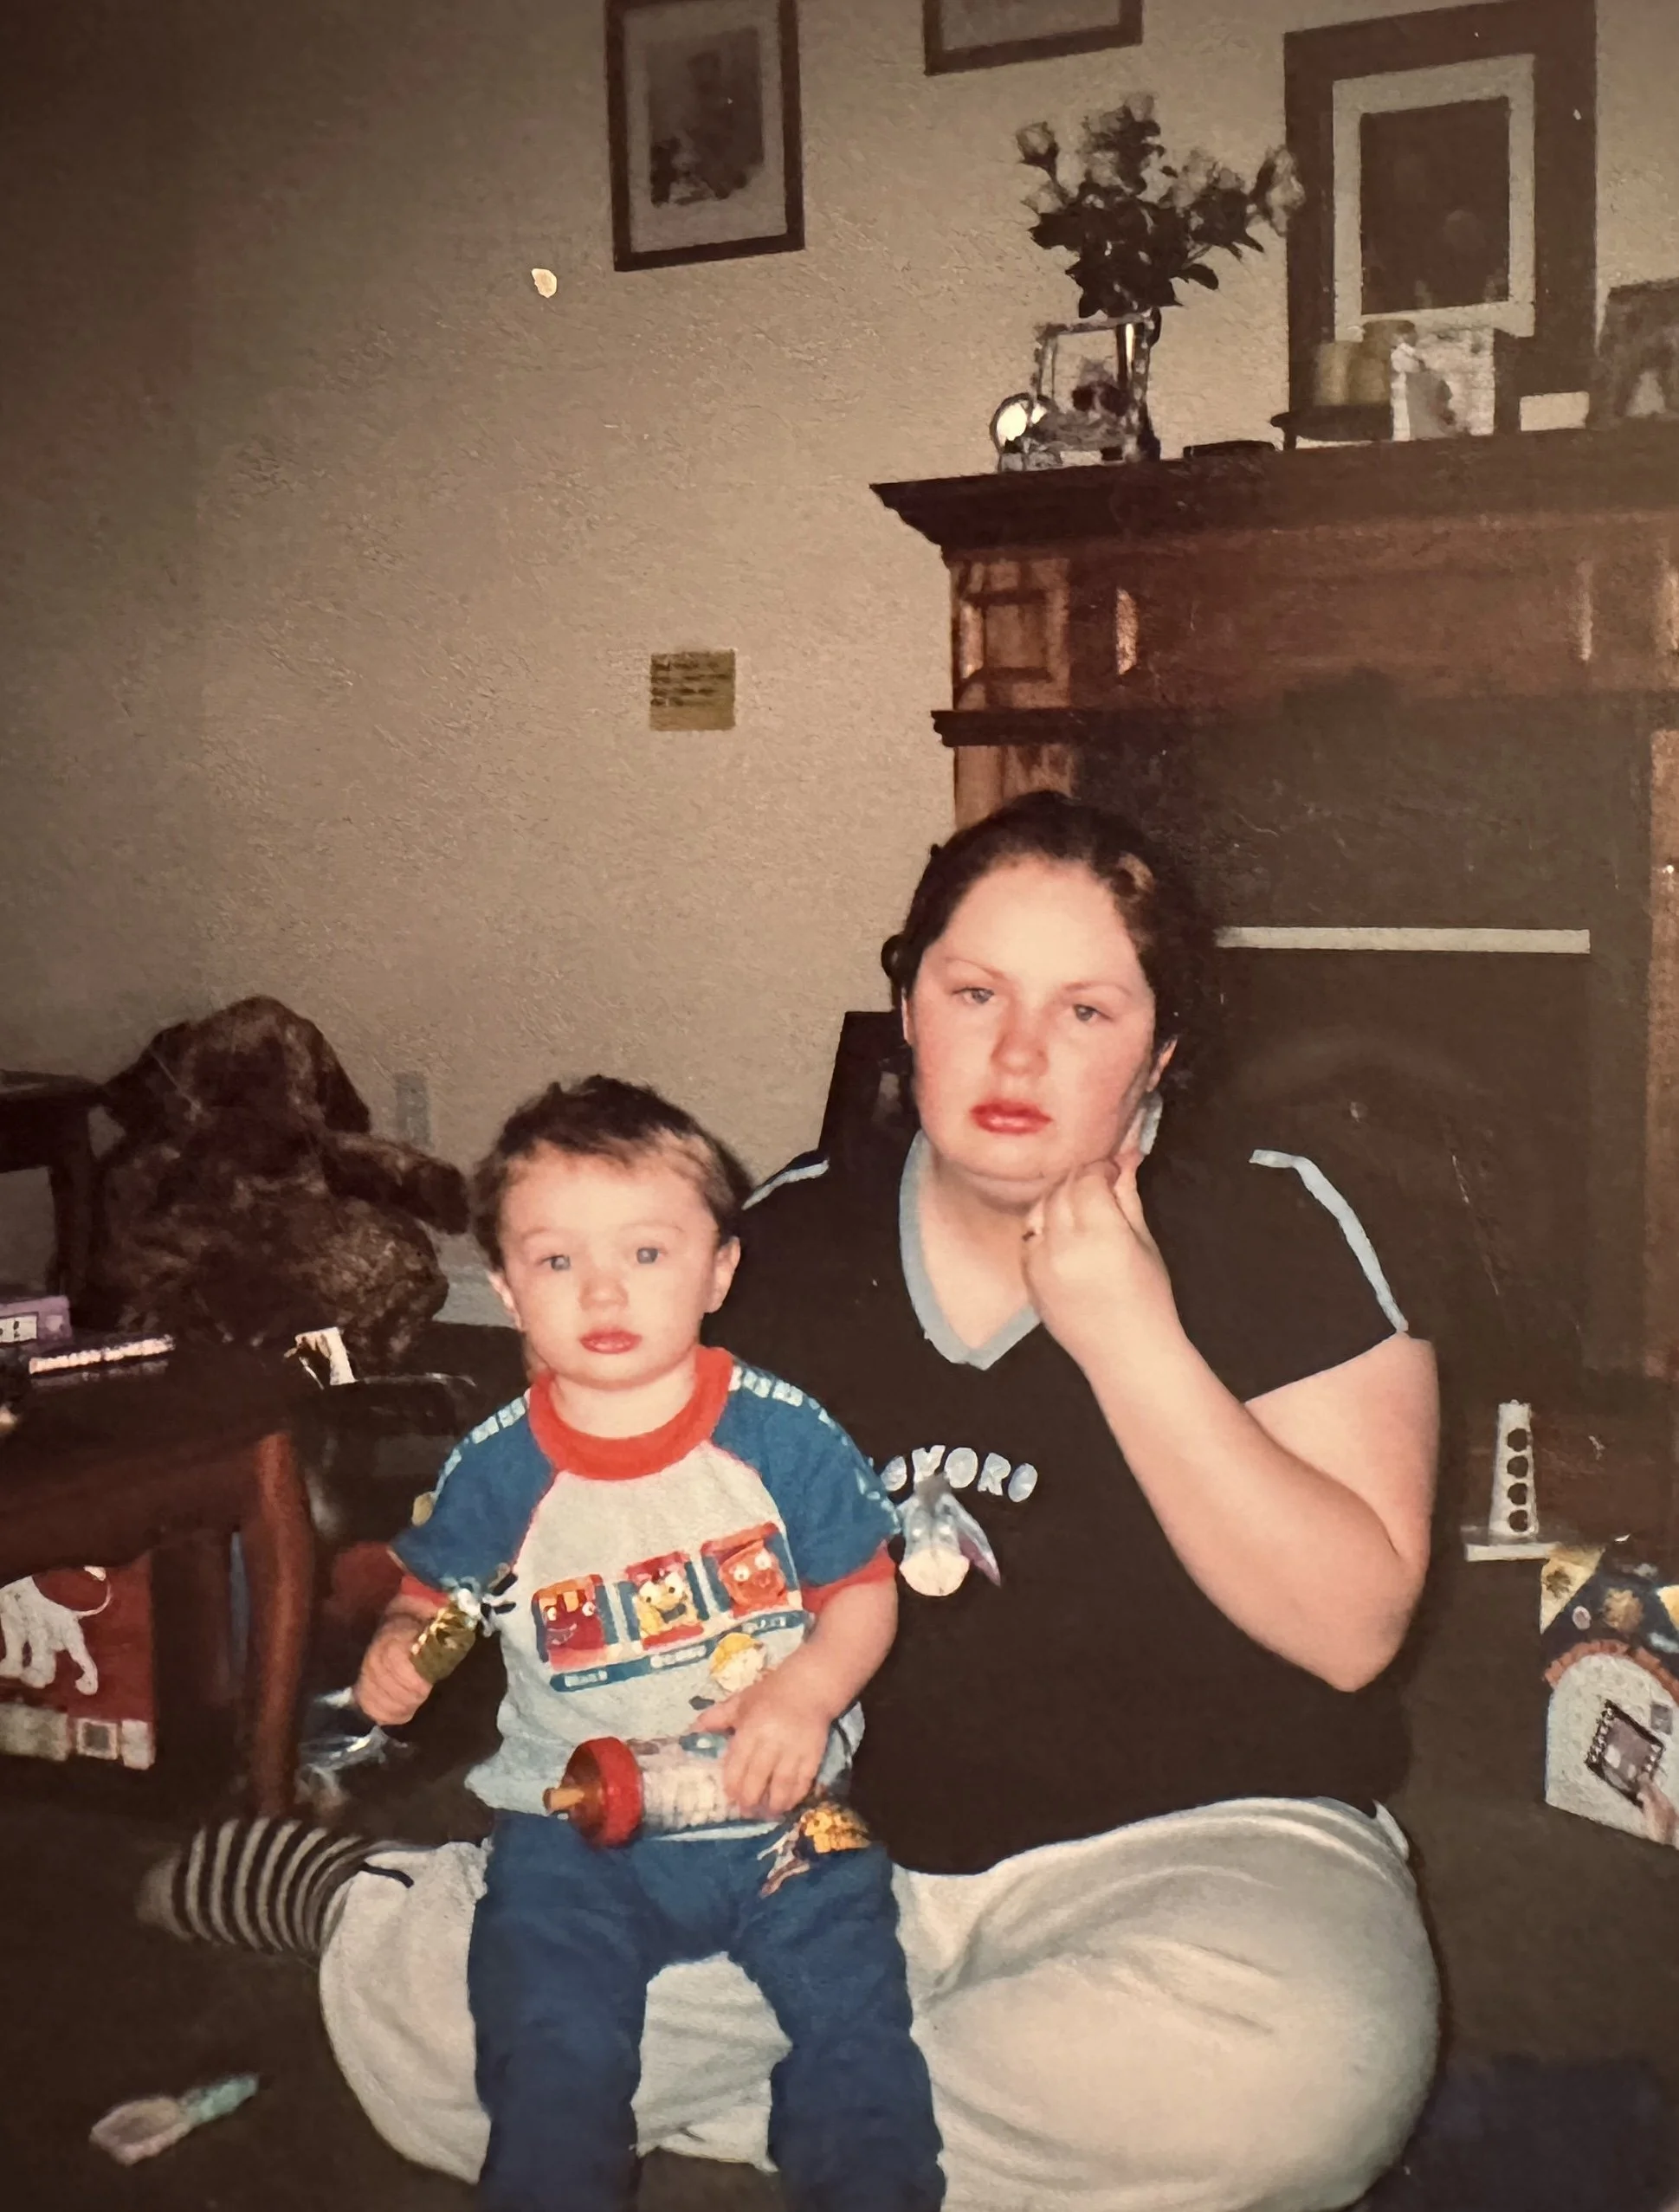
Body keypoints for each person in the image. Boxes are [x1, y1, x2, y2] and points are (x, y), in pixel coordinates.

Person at [148, 795, 1440, 2212]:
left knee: (1303, 2074)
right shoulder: (775, 1243)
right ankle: (375, 1908)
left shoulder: (1270, 1219)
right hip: (797, 1842)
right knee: (465, 2032)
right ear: (908, 1008)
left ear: (1162, 1049)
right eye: (974, 992)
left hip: (1195, 1853)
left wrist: (1126, 1329)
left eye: (1086, 1009)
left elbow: (1350, 1630)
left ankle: (812, 2092)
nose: (1017, 1050)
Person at [351, 1076, 943, 2212]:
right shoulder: (498, 1464)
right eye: (557, 1260)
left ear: (719, 1270)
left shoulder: (778, 1431)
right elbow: (441, 1596)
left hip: (782, 1803)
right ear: (508, 1288)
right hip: (571, 1824)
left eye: (647, 1252)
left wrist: (805, 1692)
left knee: (856, 1999)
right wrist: (400, 1645)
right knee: (543, 2031)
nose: (604, 1288)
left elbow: (864, 1588)